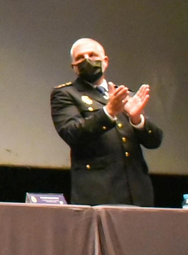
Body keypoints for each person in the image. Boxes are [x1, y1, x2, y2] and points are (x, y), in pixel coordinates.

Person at [50, 38, 161, 206]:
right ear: (74, 66)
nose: (87, 60)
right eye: (80, 58)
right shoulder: (66, 94)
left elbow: (154, 141)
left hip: (137, 192)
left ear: (105, 61)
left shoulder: (123, 94)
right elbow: (72, 133)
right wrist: (108, 112)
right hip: (98, 192)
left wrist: (137, 119)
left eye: (93, 55)